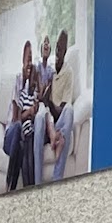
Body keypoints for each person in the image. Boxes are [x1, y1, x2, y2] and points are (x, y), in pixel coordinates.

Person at [38, 30, 78, 182]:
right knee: (43, 116)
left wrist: (49, 102)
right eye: (57, 48)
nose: (58, 51)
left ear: (65, 51)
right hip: (48, 123)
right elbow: (42, 99)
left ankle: (57, 177)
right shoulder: (50, 71)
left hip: (59, 121)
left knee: (69, 110)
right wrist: (45, 96)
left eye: (61, 49)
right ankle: (54, 137)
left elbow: (62, 108)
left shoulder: (68, 72)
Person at [5, 42, 38, 191]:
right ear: (23, 60)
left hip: (19, 139)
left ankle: (19, 190)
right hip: (10, 137)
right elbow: (16, 119)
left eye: (31, 59)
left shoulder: (29, 88)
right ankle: (8, 183)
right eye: (28, 59)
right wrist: (28, 112)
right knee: (18, 127)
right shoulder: (17, 82)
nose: (30, 63)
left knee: (23, 145)